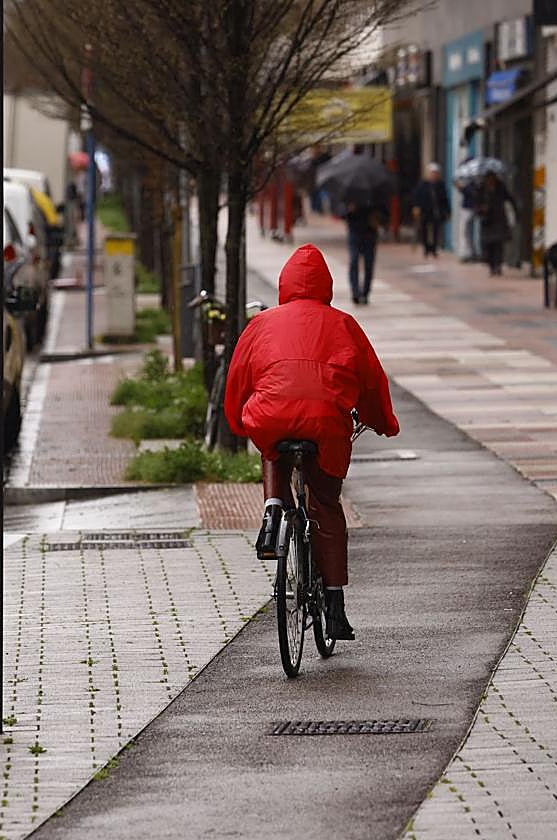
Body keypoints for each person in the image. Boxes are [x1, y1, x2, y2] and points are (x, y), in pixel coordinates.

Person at [223, 244, 400, 640]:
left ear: (285, 284)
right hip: (325, 426)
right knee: (326, 505)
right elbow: (371, 382)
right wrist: (383, 423)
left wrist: (238, 422)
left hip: (272, 418)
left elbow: (238, 378)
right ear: (327, 286)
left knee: (273, 443)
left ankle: (272, 509)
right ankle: (334, 607)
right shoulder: (343, 324)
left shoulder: (261, 324)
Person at [344, 202, 385, 304]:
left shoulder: (375, 195)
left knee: (368, 264)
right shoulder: (350, 195)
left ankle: (365, 293)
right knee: (354, 261)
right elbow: (341, 213)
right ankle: (355, 291)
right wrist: (349, 210)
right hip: (354, 233)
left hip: (370, 234)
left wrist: (376, 213)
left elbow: (384, 213)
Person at [476, 173, 516, 276]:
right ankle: (491, 266)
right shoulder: (481, 189)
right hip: (487, 220)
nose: (490, 181)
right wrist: (481, 209)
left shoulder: (501, 187)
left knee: (498, 245)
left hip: (499, 219)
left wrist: (515, 211)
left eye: (492, 178)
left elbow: (509, 198)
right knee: (488, 245)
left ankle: (498, 266)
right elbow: (476, 203)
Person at [411, 163, 450, 258]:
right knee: (424, 230)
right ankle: (426, 248)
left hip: (436, 211)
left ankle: (434, 248)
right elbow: (416, 197)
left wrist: (448, 211)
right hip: (425, 211)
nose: (434, 175)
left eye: (435, 173)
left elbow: (445, 198)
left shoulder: (440, 185)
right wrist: (416, 207)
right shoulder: (422, 185)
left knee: (436, 230)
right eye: (432, 173)